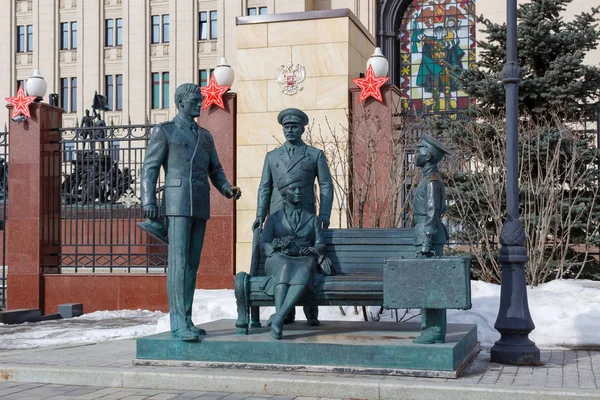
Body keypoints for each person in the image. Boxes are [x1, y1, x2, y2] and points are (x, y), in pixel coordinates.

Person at [141, 83, 241, 341]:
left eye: (201, 99)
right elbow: (150, 168)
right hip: (176, 203)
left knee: (191, 266)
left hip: (199, 203)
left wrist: (227, 189)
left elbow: (215, 170)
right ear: (181, 102)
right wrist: (148, 200)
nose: (200, 104)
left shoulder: (206, 136)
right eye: (195, 100)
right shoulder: (166, 131)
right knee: (178, 264)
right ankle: (177, 322)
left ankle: (186, 318)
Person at [253, 108, 334, 326]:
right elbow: (264, 188)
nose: (290, 130)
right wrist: (261, 214)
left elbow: (326, 185)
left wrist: (325, 212)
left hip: (305, 213)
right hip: (279, 216)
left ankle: (310, 311)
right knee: (284, 261)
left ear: (302, 129)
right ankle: (284, 313)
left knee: (304, 260)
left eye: (294, 127)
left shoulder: (314, 154)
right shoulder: (272, 157)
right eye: (286, 127)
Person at [260, 172, 334, 340]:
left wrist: (313, 250)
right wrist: (274, 250)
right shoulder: (273, 219)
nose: (299, 192)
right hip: (279, 258)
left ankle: (278, 317)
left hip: (303, 258)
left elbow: (320, 243)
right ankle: (282, 315)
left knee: (306, 266)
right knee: (285, 266)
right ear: (285, 192)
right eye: (294, 189)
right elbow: (264, 243)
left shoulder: (312, 219)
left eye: (300, 189)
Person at [412, 133, 450, 344]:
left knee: (431, 284)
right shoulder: (428, 179)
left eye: (419, 150)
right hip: (425, 234)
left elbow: (433, 212)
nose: (416, 154)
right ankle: (430, 329)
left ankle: (434, 331)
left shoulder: (432, 182)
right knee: (427, 284)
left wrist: (427, 241)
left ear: (428, 156)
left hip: (429, 238)